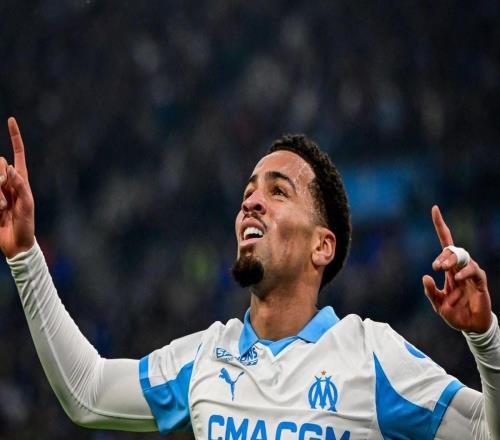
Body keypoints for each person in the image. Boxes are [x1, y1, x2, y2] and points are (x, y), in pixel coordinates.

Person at [1, 116, 499, 439]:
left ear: (322, 246)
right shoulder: (202, 358)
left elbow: (483, 429)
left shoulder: (371, 356)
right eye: (249, 192)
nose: (252, 202)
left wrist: (485, 338)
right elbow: (87, 391)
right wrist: (25, 253)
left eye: (278, 191)